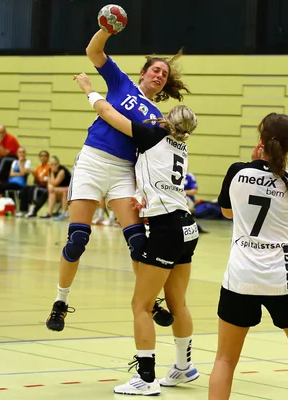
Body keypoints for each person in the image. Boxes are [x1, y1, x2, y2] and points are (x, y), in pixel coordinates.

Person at [45, 25, 189, 332]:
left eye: (164, 74)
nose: (160, 75)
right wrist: (105, 29)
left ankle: (150, 302)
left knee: (139, 244)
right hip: (93, 161)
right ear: (144, 72)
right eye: (156, 70)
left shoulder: (157, 118)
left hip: (124, 171)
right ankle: (60, 301)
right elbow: (93, 52)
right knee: (78, 238)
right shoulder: (121, 83)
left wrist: (144, 190)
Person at [75, 73, 200, 395]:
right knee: (178, 303)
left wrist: (90, 91)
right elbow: (162, 181)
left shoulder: (151, 135)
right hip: (186, 224)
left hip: (167, 228)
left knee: (141, 305)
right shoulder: (180, 147)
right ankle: (184, 369)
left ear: (168, 121)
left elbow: (107, 113)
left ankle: (145, 379)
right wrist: (143, 197)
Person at [209, 113, 288, 400]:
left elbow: (227, 212)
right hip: (283, 280)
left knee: (224, 360)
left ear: (260, 141)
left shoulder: (237, 172)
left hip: (240, 279)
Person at [0, 147, 30, 214]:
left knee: (0, 187)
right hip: (11, 182)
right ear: (17, 153)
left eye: (23, 152)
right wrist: (20, 173)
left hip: (19, 184)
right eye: (20, 152)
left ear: (25, 154)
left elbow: (23, 173)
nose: (21, 154)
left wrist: (19, 163)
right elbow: (11, 174)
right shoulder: (14, 162)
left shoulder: (27, 162)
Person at [17, 150, 50, 218]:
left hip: (46, 186)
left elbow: (50, 178)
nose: (43, 158)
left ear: (48, 157)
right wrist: (35, 176)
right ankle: (23, 210)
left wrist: (44, 179)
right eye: (41, 156)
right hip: (39, 185)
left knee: (34, 189)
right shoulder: (38, 168)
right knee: (25, 188)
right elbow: (36, 182)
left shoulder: (49, 167)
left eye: (45, 156)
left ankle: (32, 210)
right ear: (39, 158)